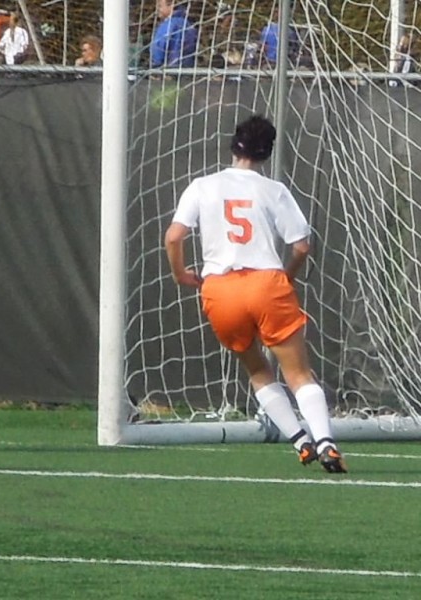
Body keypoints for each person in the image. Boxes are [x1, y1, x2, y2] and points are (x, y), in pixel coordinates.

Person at [164, 115, 347, 474]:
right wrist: (286, 280)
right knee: (299, 373)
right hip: (266, 283)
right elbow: (301, 246)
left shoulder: (202, 186)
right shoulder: (273, 190)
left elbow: (173, 236)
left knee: (258, 370)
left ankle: (299, 441)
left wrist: (181, 273)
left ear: (234, 145)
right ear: (267, 153)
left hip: (220, 289)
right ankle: (326, 442)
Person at [150, 0, 197, 69]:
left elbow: (159, 47)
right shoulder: (188, 24)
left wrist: (155, 64)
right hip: (186, 69)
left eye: (160, 6)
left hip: (166, 70)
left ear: (171, 5)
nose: (157, 9)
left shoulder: (168, 25)